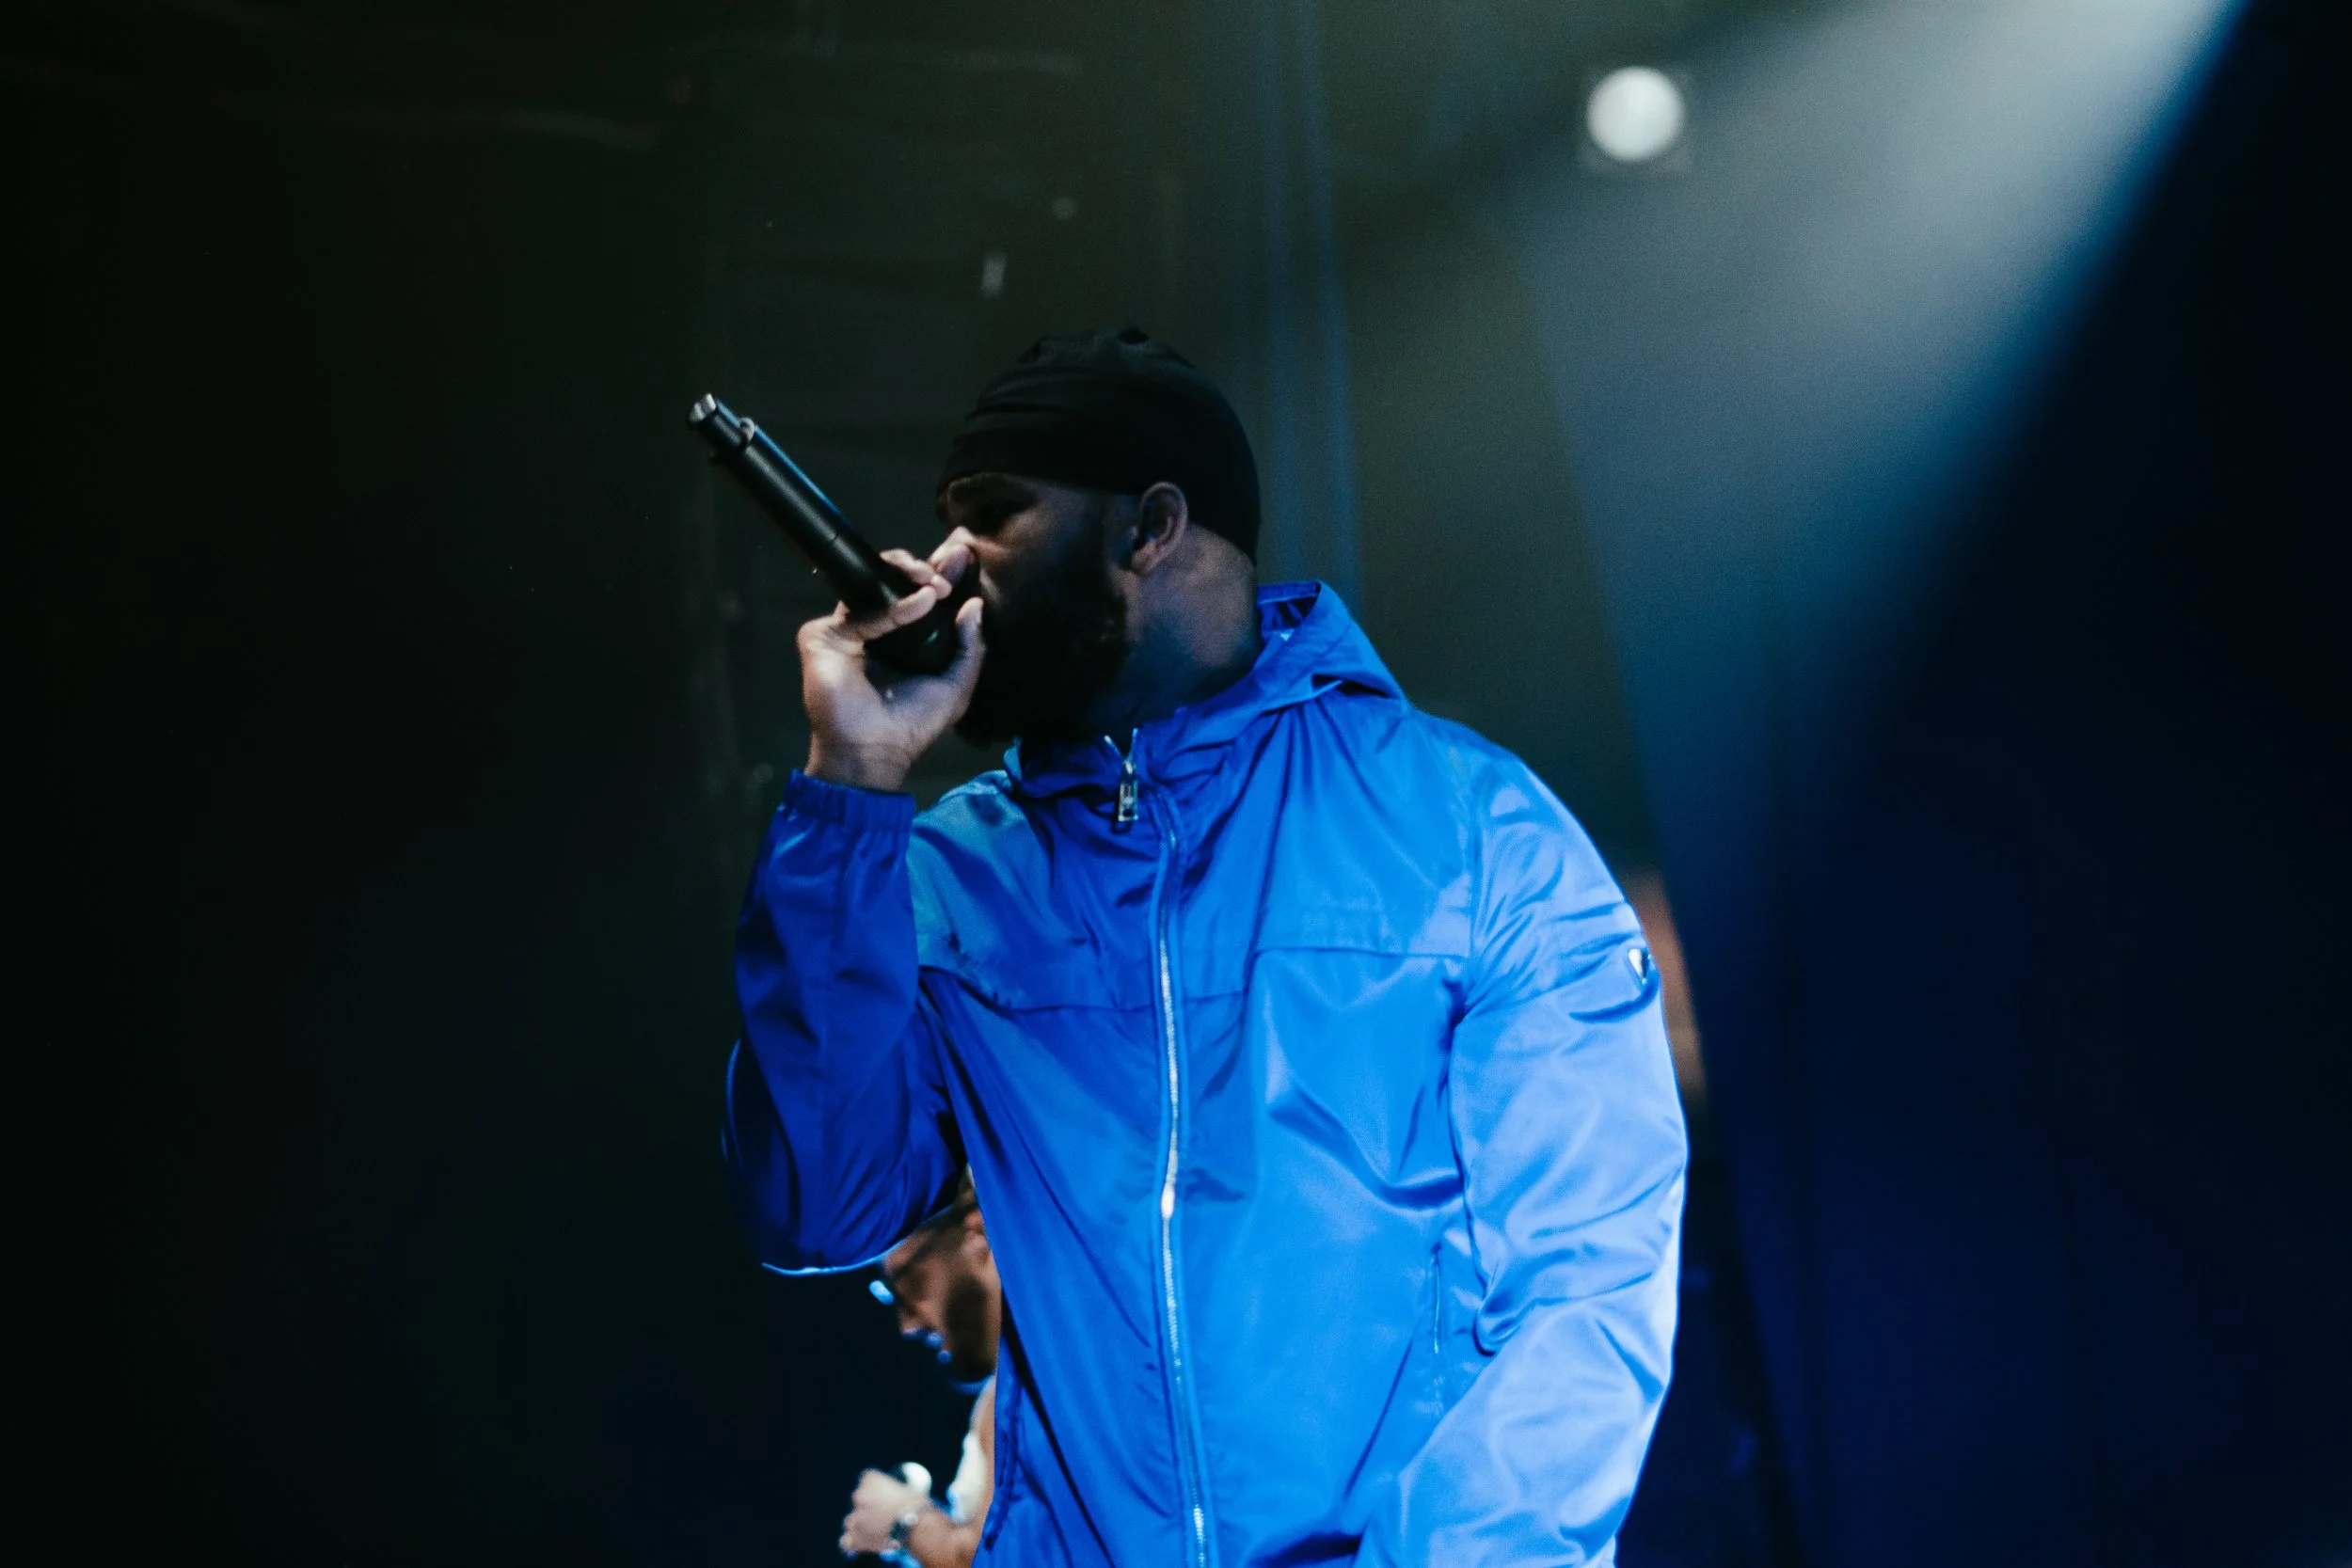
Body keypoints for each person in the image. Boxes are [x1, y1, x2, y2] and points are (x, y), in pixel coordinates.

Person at [724, 327, 1687, 1565]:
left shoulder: (1473, 832)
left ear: (1149, 526)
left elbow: (1583, 1283)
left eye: (992, 517)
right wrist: (850, 778)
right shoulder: (948, 879)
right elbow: (814, 1203)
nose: (945, 567)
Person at [838, 1175, 1002, 1565]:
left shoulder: (1036, 1389)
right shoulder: (1003, 1394)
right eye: (890, 1296)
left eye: (909, 1282)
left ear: (977, 1231)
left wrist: (904, 1519)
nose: (907, 1324)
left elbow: (1003, 1559)